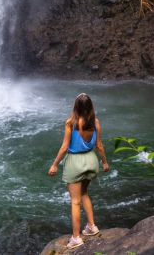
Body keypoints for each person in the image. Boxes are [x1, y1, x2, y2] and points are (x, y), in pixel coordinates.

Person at [47, 93, 110, 250]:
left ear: (76, 107)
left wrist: (55, 164)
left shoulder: (71, 123)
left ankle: (76, 238)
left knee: (75, 201)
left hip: (75, 163)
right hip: (91, 161)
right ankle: (91, 227)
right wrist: (104, 162)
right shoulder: (95, 122)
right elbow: (99, 145)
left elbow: (64, 147)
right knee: (84, 194)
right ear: (90, 107)